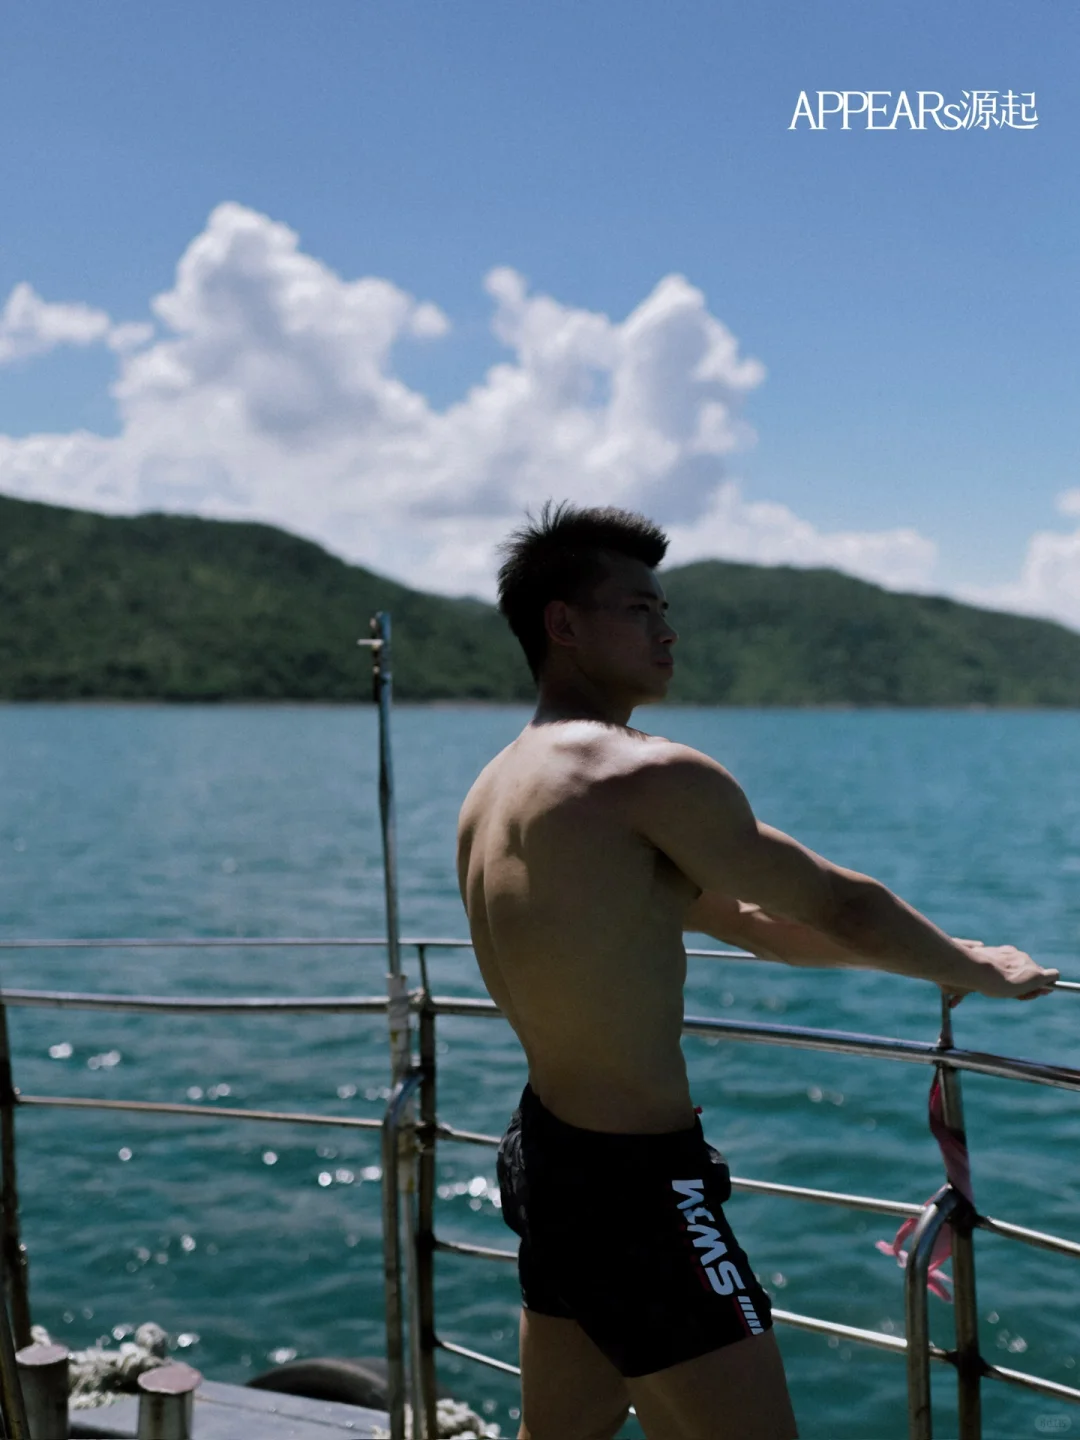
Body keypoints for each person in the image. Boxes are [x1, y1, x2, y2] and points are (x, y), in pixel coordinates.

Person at [455, 502, 1058, 1440]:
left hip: (550, 1154)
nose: (667, 630)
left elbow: (753, 924)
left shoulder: (499, 788)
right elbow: (835, 902)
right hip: (638, 1187)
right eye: (638, 609)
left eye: (665, 609)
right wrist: (979, 966)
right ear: (562, 624)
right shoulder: (637, 775)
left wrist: (926, 965)